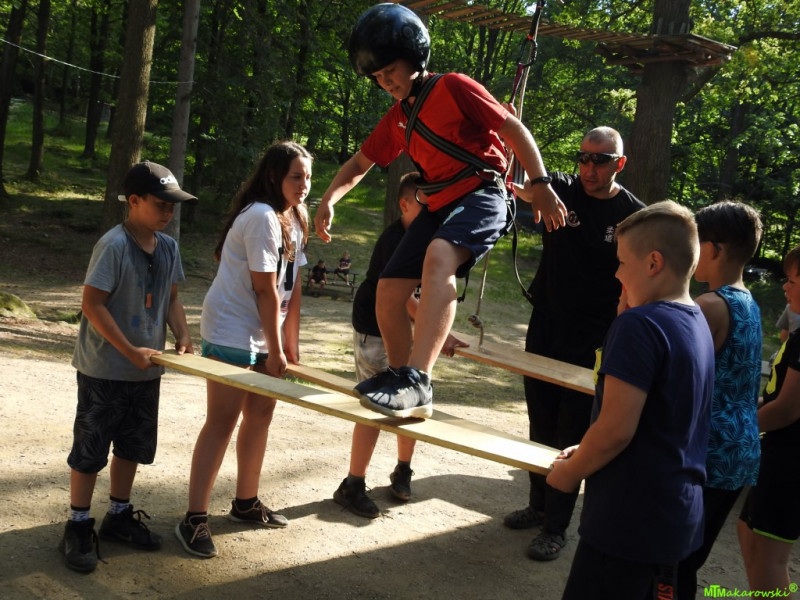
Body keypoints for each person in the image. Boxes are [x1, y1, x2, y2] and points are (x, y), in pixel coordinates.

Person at [314, 3, 567, 420]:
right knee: (388, 289)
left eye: (389, 70)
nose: (385, 82)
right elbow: (360, 163)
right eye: (377, 77)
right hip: (440, 202)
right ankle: (401, 380)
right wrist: (329, 199)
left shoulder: (453, 87)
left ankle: (418, 379)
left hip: (484, 193)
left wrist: (540, 184)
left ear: (414, 56)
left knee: (439, 255)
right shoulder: (398, 119)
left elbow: (514, 130)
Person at [546, 201, 714, 599]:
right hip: (674, 515)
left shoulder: (641, 325)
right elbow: (658, 417)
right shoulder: (696, 320)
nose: (617, 273)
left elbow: (616, 430)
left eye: (622, 262)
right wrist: (589, 446)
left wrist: (569, 476)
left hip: (628, 522)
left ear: (653, 262)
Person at [504, 126, 645, 561]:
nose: (588, 167)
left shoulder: (633, 216)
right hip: (546, 324)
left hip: (594, 338)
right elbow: (518, 183)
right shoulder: (558, 188)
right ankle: (538, 504)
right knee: (539, 421)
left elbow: (640, 278)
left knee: (572, 431)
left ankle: (556, 527)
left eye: (600, 160)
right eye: (583, 157)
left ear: (619, 164)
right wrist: (510, 133)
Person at [175, 141, 311, 559]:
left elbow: (292, 286)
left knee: (260, 415)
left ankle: (245, 502)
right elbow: (264, 289)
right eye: (296, 176)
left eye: (308, 177)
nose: (304, 184)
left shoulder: (295, 216)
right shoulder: (261, 217)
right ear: (273, 176)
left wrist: (289, 344)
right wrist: (275, 349)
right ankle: (194, 518)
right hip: (232, 329)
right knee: (222, 420)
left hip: (264, 331)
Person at [60, 161, 196, 573]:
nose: (168, 212)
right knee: (90, 449)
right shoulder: (113, 245)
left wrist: (183, 335)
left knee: (133, 445)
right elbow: (92, 304)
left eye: (172, 206)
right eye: (160, 204)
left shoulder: (168, 247)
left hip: (146, 371)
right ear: (134, 201)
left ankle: (118, 515)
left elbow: (172, 299)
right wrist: (128, 348)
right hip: (104, 369)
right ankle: (78, 524)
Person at [333, 172, 467, 518]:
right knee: (375, 405)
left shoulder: (431, 237)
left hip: (410, 332)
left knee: (413, 400)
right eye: (425, 203)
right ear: (404, 205)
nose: (433, 209)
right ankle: (352, 483)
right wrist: (440, 334)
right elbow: (403, 298)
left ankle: (403, 469)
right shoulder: (396, 239)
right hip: (375, 331)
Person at [676, 201, 763, 599]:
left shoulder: (708, 306)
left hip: (708, 452)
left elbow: (678, 380)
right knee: (689, 559)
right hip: (739, 449)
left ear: (713, 249)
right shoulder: (748, 302)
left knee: (674, 560)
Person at [738, 245, 800, 595]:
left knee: (769, 555)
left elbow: (788, 409)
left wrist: (737, 430)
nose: (785, 287)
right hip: (777, 454)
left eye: (792, 281)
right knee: (748, 534)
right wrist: (744, 410)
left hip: (791, 462)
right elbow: (777, 399)